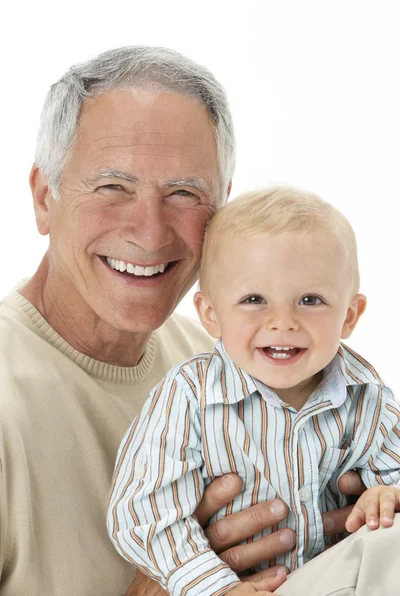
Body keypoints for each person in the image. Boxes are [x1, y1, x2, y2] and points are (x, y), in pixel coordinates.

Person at [0, 45, 379, 596]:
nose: (150, 232)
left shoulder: (233, 360)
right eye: (113, 187)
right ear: (43, 198)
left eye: (184, 193)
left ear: (223, 211)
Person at [108, 187, 400, 596]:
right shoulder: (189, 397)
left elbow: (393, 475)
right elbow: (144, 515)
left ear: (349, 316)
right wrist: (217, 588)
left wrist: (386, 495)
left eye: (310, 300)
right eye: (254, 299)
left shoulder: (367, 395)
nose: (282, 321)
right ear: (211, 314)